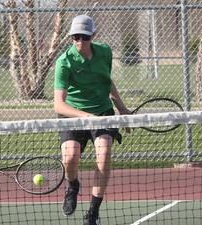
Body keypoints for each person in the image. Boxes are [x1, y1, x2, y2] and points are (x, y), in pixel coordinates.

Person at [53, 15, 131, 225]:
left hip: (103, 112)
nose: (79, 41)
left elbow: (107, 81)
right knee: (70, 158)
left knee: (104, 155)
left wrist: (121, 107)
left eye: (84, 37)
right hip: (73, 115)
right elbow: (58, 105)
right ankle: (72, 185)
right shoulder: (64, 62)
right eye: (75, 37)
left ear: (93, 36)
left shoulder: (104, 52)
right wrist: (86, 117)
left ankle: (93, 212)